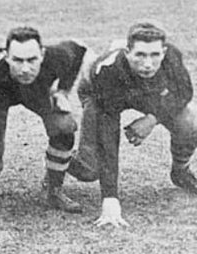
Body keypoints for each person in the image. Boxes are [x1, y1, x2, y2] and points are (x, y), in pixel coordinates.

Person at [68, 22, 197, 227]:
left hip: (143, 91)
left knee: (189, 120)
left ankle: (180, 171)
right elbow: (108, 135)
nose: (148, 63)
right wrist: (110, 199)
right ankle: (57, 165)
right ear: (127, 52)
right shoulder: (108, 71)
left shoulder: (172, 55)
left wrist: (153, 118)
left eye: (154, 55)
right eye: (140, 55)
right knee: (89, 170)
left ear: (163, 51)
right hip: (98, 91)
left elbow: (184, 93)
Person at [0, 27, 88, 232]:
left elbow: (79, 49)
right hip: (0, 92)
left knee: (64, 126)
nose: (26, 68)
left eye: (32, 60)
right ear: (7, 57)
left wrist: (63, 90)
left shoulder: (57, 56)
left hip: (36, 91)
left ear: (43, 54)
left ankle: (54, 190)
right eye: (18, 60)